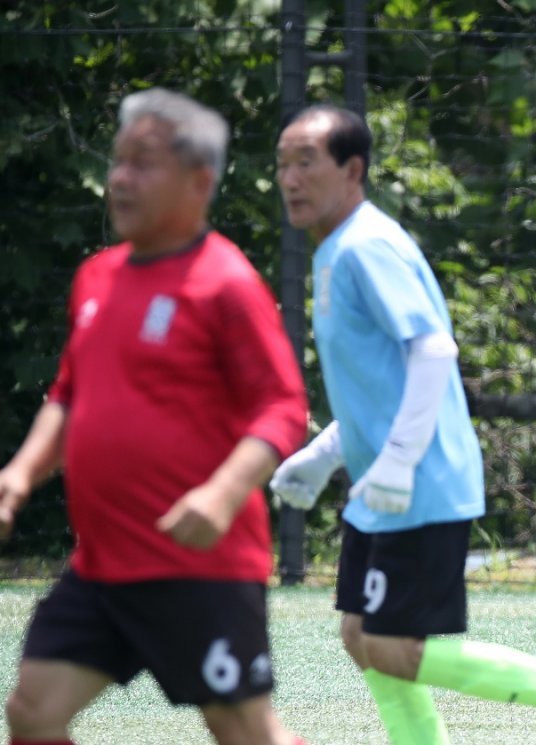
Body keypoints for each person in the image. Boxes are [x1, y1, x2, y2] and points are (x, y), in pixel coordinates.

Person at [269, 104, 536, 744]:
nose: (289, 177)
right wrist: (325, 454)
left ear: (353, 170)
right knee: (359, 636)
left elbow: (432, 353)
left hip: (419, 484)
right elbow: (381, 385)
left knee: (388, 644)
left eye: (305, 162)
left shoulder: (367, 246)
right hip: (383, 486)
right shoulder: (336, 248)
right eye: (282, 163)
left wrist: (398, 462)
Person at [0, 89, 310, 745]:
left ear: (199, 182)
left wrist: (223, 493)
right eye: (118, 161)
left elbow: (283, 407)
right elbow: (69, 395)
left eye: (143, 163)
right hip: (103, 565)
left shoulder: (224, 282)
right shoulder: (98, 277)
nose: (119, 178)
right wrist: (21, 473)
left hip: (201, 568)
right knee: (32, 712)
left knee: (245, 730)